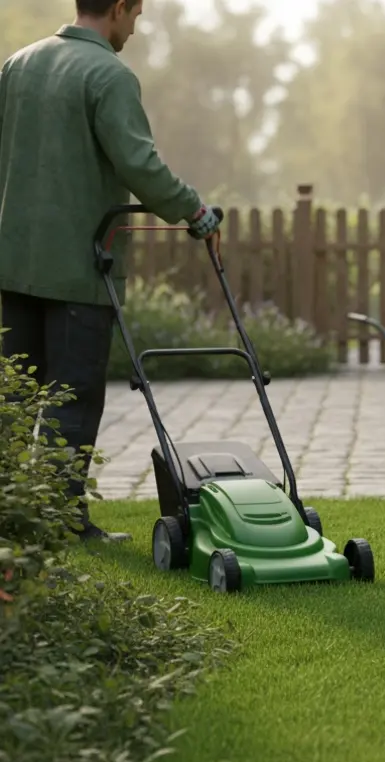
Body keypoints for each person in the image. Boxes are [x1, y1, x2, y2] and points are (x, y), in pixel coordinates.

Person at [0, 0, 222, 542]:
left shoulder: (16, 65)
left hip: (13, 264)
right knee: (71, 398)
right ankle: (60, 523)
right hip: (78, 269)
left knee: (12, 397)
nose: (135, 27)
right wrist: (196, 212)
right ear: (119, 8)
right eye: (137, 16)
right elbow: (139, 163)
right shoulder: (109, 75)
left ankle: (11, 516)